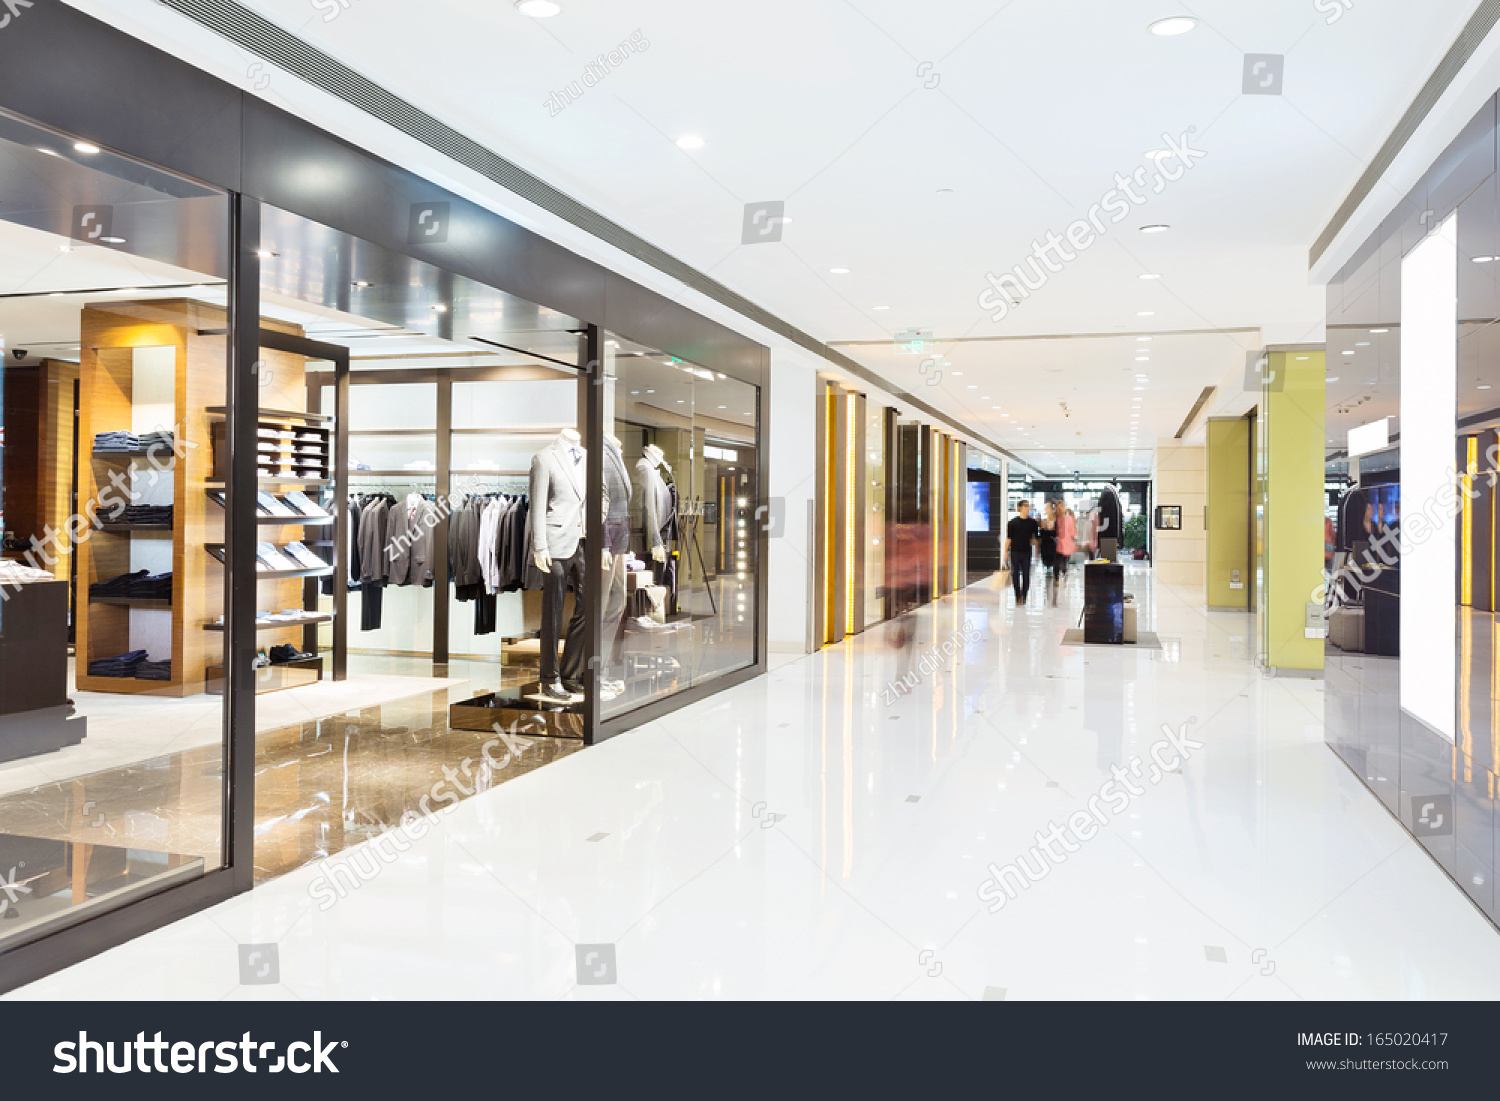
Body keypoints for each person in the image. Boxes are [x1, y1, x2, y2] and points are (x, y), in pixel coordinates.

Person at [1006, 500, 1040, 605]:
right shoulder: (1012, 523)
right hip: (1015, 551)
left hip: (1026, 552)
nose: (1027, 508)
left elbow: (1035, 539)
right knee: (1015, 573)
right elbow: (1009, 538)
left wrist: (1037, 552)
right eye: (1025, 506)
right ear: (1019, 507)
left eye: (1029, 506)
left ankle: (1024, 595)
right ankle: (1017, 595)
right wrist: (1004, 552)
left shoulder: (1033, 523)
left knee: (1026, 574)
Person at [1053, 506, 1077, 605]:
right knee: (1058, 562)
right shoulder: (1055, 519)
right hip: (1057, 544)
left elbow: (1072, 532)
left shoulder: (1069, 518)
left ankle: (1063, 577)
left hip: (1066, 544)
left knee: (1064, 561)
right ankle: (1057, 578)